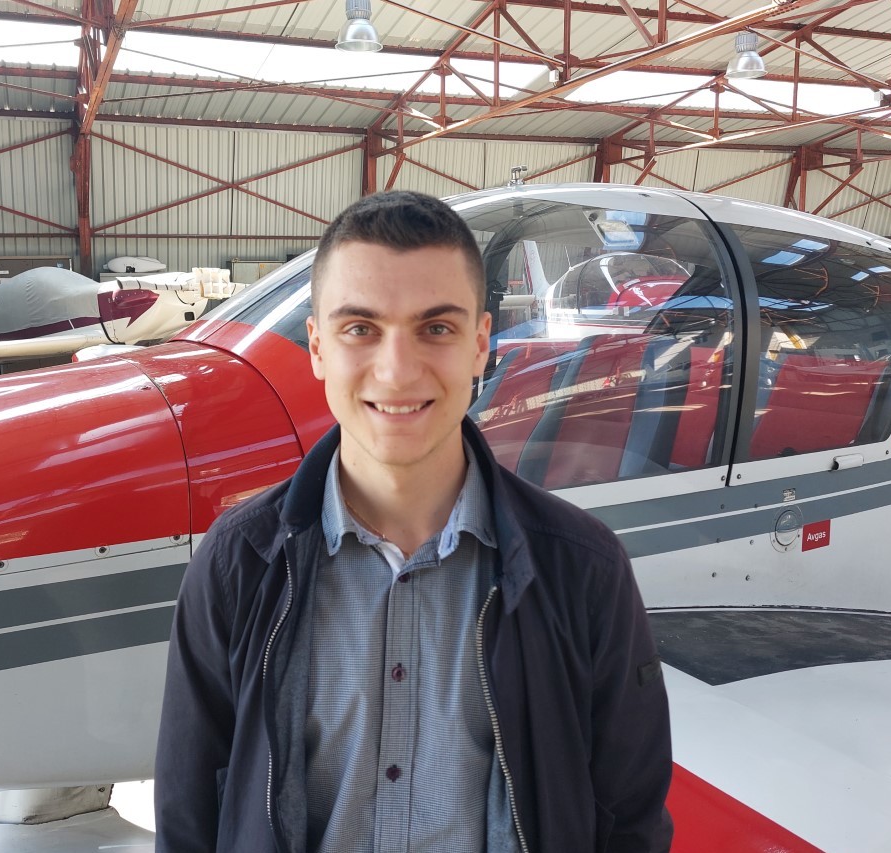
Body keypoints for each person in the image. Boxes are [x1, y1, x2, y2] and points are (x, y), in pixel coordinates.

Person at [155, 190, 673, 852]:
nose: (397, 372)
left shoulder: (584, 569)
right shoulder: (237, 562)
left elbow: (630, 820)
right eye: (360, 328)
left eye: (436, 329)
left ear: (480, 344)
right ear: (317, 347)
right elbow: (189, 815)